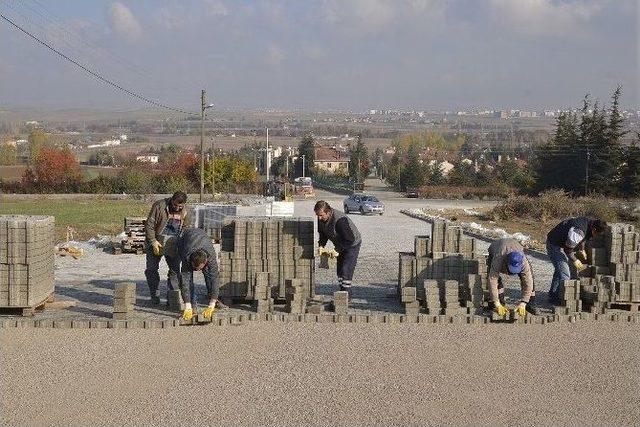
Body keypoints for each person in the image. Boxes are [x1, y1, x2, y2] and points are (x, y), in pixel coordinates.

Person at [546, 216, 607, 304]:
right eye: (596, 234)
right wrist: (575, 260)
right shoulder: (578, 231)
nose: (595, 236)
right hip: (553, 244)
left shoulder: (589, 222)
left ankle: (553, 295)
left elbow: (584, 238)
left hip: (560, 241)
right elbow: (567, 250)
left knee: (560, 270)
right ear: (594, 229)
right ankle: (562, 300)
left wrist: (582, 250)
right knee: (565, 274)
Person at [144, 191, 188, 305]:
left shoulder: (186, 211)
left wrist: (181, 244)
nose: (177, 208)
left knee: (174, 271)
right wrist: (153, 241)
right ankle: (155, 295)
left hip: (173, 243)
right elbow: (149, 225)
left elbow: (186, 228)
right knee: (151, 270)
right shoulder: (159, 206)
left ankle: (172, 298)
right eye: (175, 205)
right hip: (156, 241)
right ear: (171, 200)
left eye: (180, 206)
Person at [314, 200, 361, 297]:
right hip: (341, 242)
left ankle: (347, 295)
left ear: (328, 212)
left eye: (321, 215)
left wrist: (337, 250)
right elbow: (323, 234)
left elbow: (350, 239)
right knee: (339, 270)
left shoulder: (340, 220)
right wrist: (321, 246)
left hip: (352, 244)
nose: (319, 218)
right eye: (317, 215)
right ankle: (342, 293)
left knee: (345, 269)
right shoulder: (321, 219)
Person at [175, 227, 220, 321]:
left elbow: (215, 279)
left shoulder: (211, 257)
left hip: (202, 237)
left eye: (199, 268)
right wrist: (187, 305)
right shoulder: (187, 256)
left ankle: (212, 298)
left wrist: (212, 305)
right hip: (185, 240)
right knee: (188, 279)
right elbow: (185, 282)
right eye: (195, 268)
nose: (197, 271)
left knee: (209, 275)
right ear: (191, 261)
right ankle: (191, 302)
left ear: (205, 262)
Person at [487, 238, 536, 317]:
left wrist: (523, 303)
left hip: (514, 246)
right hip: (496, 249)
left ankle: (530, 304)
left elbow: (528, 282)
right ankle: (499, 303)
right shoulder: (498, 258)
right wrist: (496, 302)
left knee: (530, 278)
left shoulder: (523, 261)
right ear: (506, 262)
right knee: (494, 277)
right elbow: (492, 279)